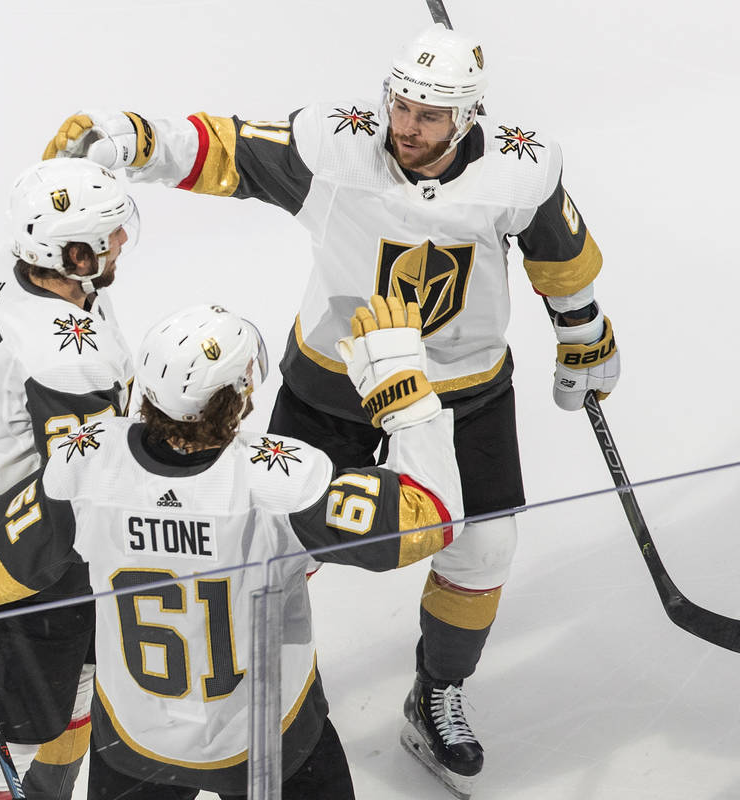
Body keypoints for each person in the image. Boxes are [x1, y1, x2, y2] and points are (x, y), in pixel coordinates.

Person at [41, 22, 620, 798]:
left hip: (460, 388)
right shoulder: (336, 146)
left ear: (470, 117)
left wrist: (583, 334)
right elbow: (227, 151)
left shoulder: (520, 167)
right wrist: (133, 139)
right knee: (271, 546)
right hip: (334, 382)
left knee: (481, 553)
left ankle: (435, 691)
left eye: (429, 116)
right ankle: (220, 678)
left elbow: (559, 255)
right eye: (400, 105)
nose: (406, 127)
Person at [0, 297, 465, 799]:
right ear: (240, 397)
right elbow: (434, 519)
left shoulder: (87, 464)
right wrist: (405, 395)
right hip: (267, 745)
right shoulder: (281, 479)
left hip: (134, 744)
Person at [0, 158, 139, 799]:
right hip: (25, 552)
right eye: (111, 234)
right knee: (3, 735)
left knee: (78, 680)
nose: (123, 241)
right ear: (74, 253)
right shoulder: (75, 354)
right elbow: (89, 489)